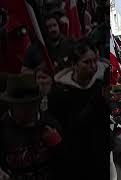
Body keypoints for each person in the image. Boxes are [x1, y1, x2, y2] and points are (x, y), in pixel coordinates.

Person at [48, 38, 107, 179]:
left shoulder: (102, 84)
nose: (93, 66)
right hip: (74, 157)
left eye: (94, 61)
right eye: (86, 62)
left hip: (100, 155)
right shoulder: (60, 91)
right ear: (74, 64)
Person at [0, 73, 63, 180]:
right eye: (23, 107)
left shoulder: (49, 124)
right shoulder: (2, 129)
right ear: (12, 105)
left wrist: (57, 145)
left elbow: (67, 164)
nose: (30, 111)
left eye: (33, 105)